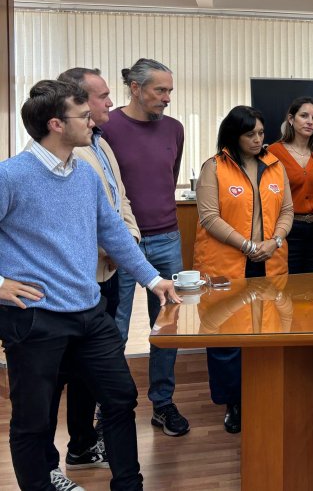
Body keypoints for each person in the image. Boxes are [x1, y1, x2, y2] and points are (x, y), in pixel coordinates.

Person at [0, 80, 179, 491]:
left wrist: (153, 279)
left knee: (120, 397)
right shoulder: (11, 176)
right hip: (36, 319)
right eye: (84, 117)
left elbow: (113, 232)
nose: (94, 123)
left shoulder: (83, 173)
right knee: (32, 420)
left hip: (88, 311)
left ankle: (128, 485)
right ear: (56, 124)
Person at [42, 68, 143, 480]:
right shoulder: (65, 157)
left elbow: (120, 202)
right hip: (70, 288)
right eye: (100, 97)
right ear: (74, 107)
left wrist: (130, 242)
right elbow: (75, 223)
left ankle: (82, 445)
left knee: (91, 373)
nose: (108, 104)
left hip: (105, 279)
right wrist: (113, 248)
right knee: (55, 382)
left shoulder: (102, 145)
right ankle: (46, 468)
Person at [102, 58, 190, 436]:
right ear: (135, 89)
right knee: (115, 331)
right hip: (123, 242)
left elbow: (168, 178)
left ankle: (163, 404)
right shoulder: (107, 128)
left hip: (167, 237)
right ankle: (110, 411)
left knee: (168, 327)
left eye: (170, 90)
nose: (167, 98)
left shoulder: (174, 129)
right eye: (160, 90)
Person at [193, 106, 293, 434]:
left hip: (270, 260)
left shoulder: (275, 166)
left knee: (268, 330)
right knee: (227, 335)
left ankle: (264, 394)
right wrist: (250, 246)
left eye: (261, 133)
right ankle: (233, 402)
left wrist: (274, 241)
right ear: (234, 135)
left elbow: (287, 211)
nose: (258, 140)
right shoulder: (215, 167)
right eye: (250, 134)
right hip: (227, 262)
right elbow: (209, 217)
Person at [268, 97, 313, 273]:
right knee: (291, 285)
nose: (310, 122)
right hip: (290, 229)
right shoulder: (273, 152)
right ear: (291, 119)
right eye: (304, 116)